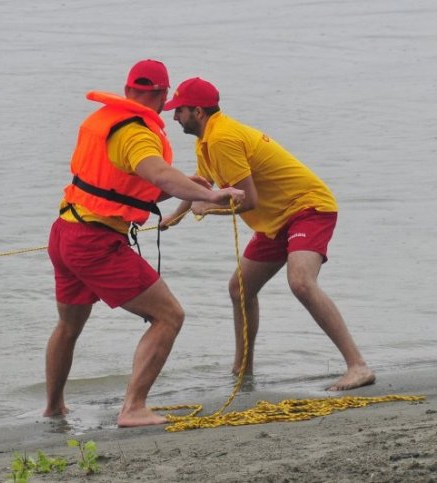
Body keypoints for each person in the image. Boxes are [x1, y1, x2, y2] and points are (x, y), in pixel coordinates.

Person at [45, 60, 245, 427]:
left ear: (127, 90)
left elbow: (128, 186)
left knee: (68, 326)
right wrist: (212, 196)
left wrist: (185, 184)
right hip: (95, 243)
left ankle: (53, 408)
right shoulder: (136, 133)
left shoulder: (104, 120)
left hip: (64, 233)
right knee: (169, 316)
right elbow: (159, 174)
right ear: (164, 95)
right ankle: (133, 408)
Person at [160, 77, 375, 391]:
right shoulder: (207, 139)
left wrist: (210, 209)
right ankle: (242, 370)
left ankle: (358, 366)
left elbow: (249, 201)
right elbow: (202, 186)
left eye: (179, 110)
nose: (174, 117)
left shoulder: (222, 139)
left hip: (307, 208)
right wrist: (175, 217)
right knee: (240, 288)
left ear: (199, 112)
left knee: (301, 282)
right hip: (275, 219)